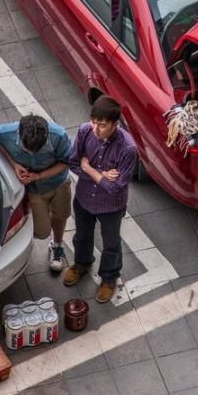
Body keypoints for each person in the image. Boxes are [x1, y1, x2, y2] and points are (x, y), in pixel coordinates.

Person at [62, 96, 138, 303]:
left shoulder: (128, 148)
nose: (96, 129)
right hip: (85, 198)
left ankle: (109, 277)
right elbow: (73, 162)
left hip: (111, 206)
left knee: (111, 243)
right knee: (82, 236)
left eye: (102, 125)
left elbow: (115, 187)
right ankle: (82, 263)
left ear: (115, 124)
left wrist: (90, 169)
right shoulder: (85, 130)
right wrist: (102, 174)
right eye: (94, 122)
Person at [0, 114, 73, 273]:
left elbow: (65, 162)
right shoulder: (4, 133)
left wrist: (38, 176)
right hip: (34, 190)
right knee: (42, 231)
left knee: (61, 215)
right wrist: (14, 164)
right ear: (19, 134)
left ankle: (57, 246)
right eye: (26, 150)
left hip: (58, 183)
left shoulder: (59, 136)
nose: (31, 154)